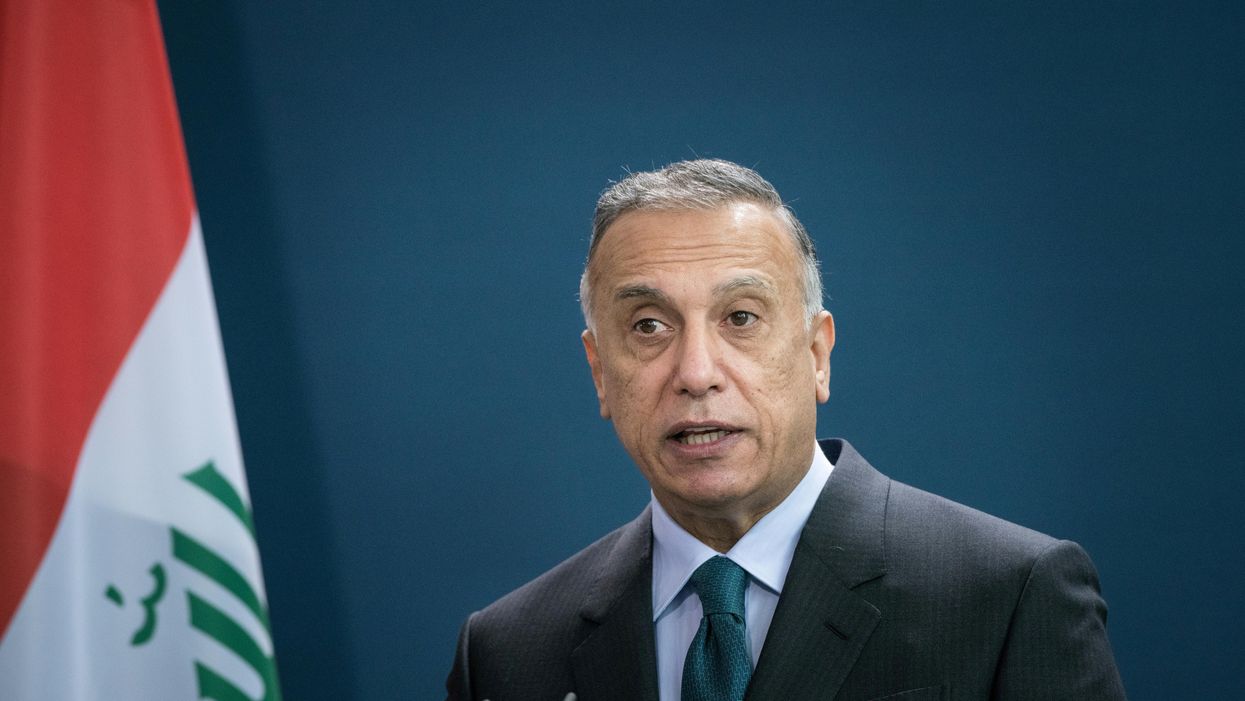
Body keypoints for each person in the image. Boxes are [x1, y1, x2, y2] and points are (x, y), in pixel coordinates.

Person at [445, 159, 1126, 700]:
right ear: (600, 372)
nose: (696, 373)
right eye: (648, 326)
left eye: (740, 318)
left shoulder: (1007, 596)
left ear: (817, 354)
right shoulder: (506, 653)